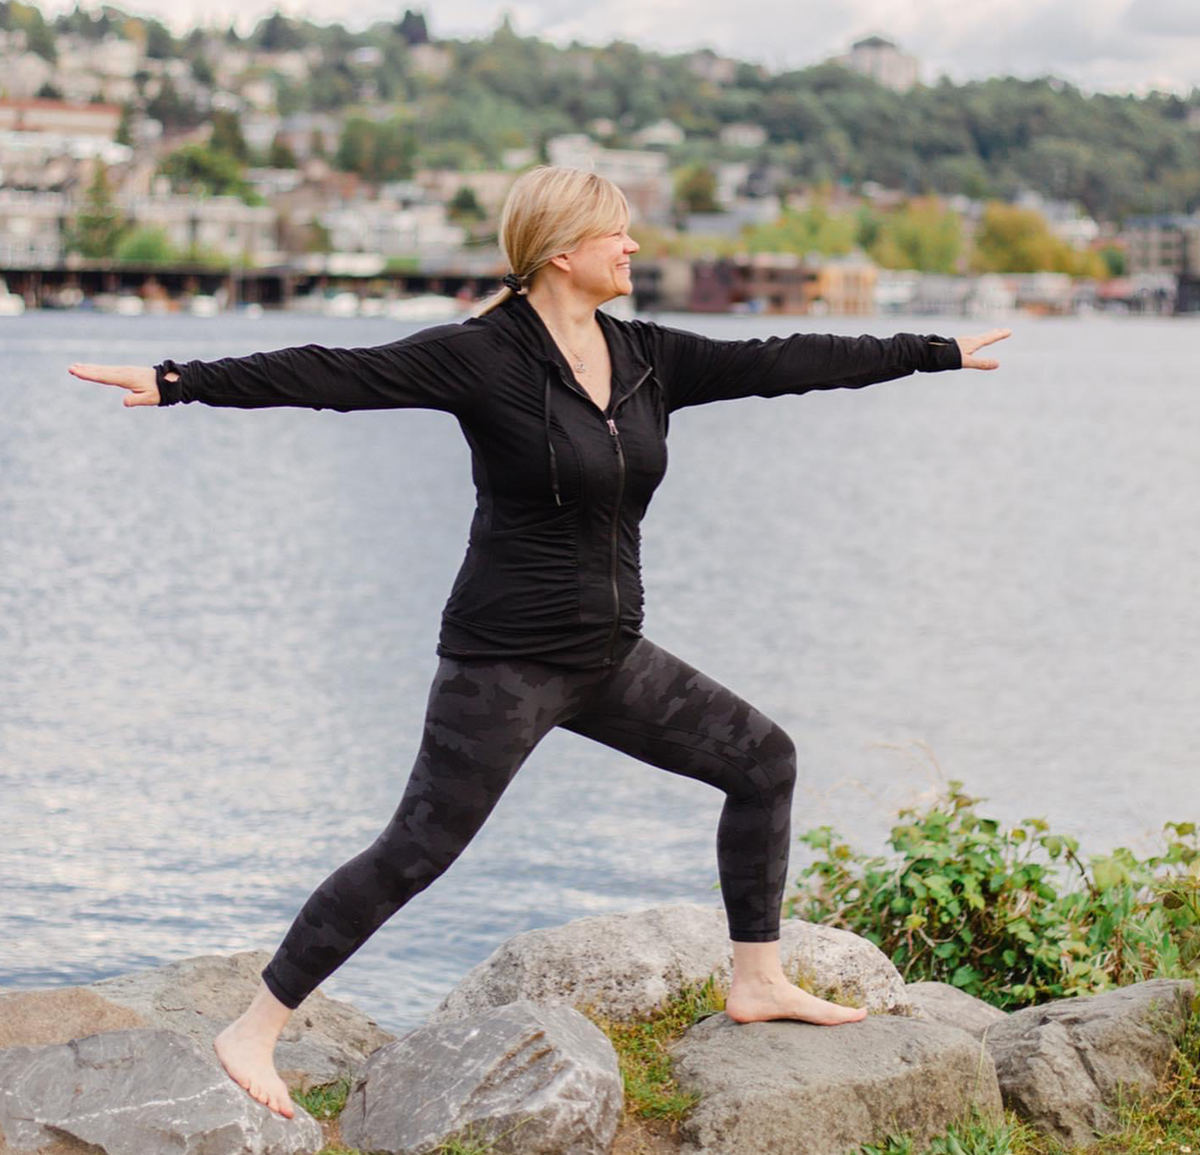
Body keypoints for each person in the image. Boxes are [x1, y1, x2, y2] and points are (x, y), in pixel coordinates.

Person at [68, 164, 1009, 1118]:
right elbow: (334, 375)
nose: (634, 247)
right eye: (618, 234)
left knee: (763, 761)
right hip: (503, 663)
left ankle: (757, 979)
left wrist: (931, 353)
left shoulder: (647, 355)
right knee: (415, 850)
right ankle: (254, 1028)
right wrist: (176, 381)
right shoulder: (483, 357)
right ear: (562, 250)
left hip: (610, 656)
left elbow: (786, 361)